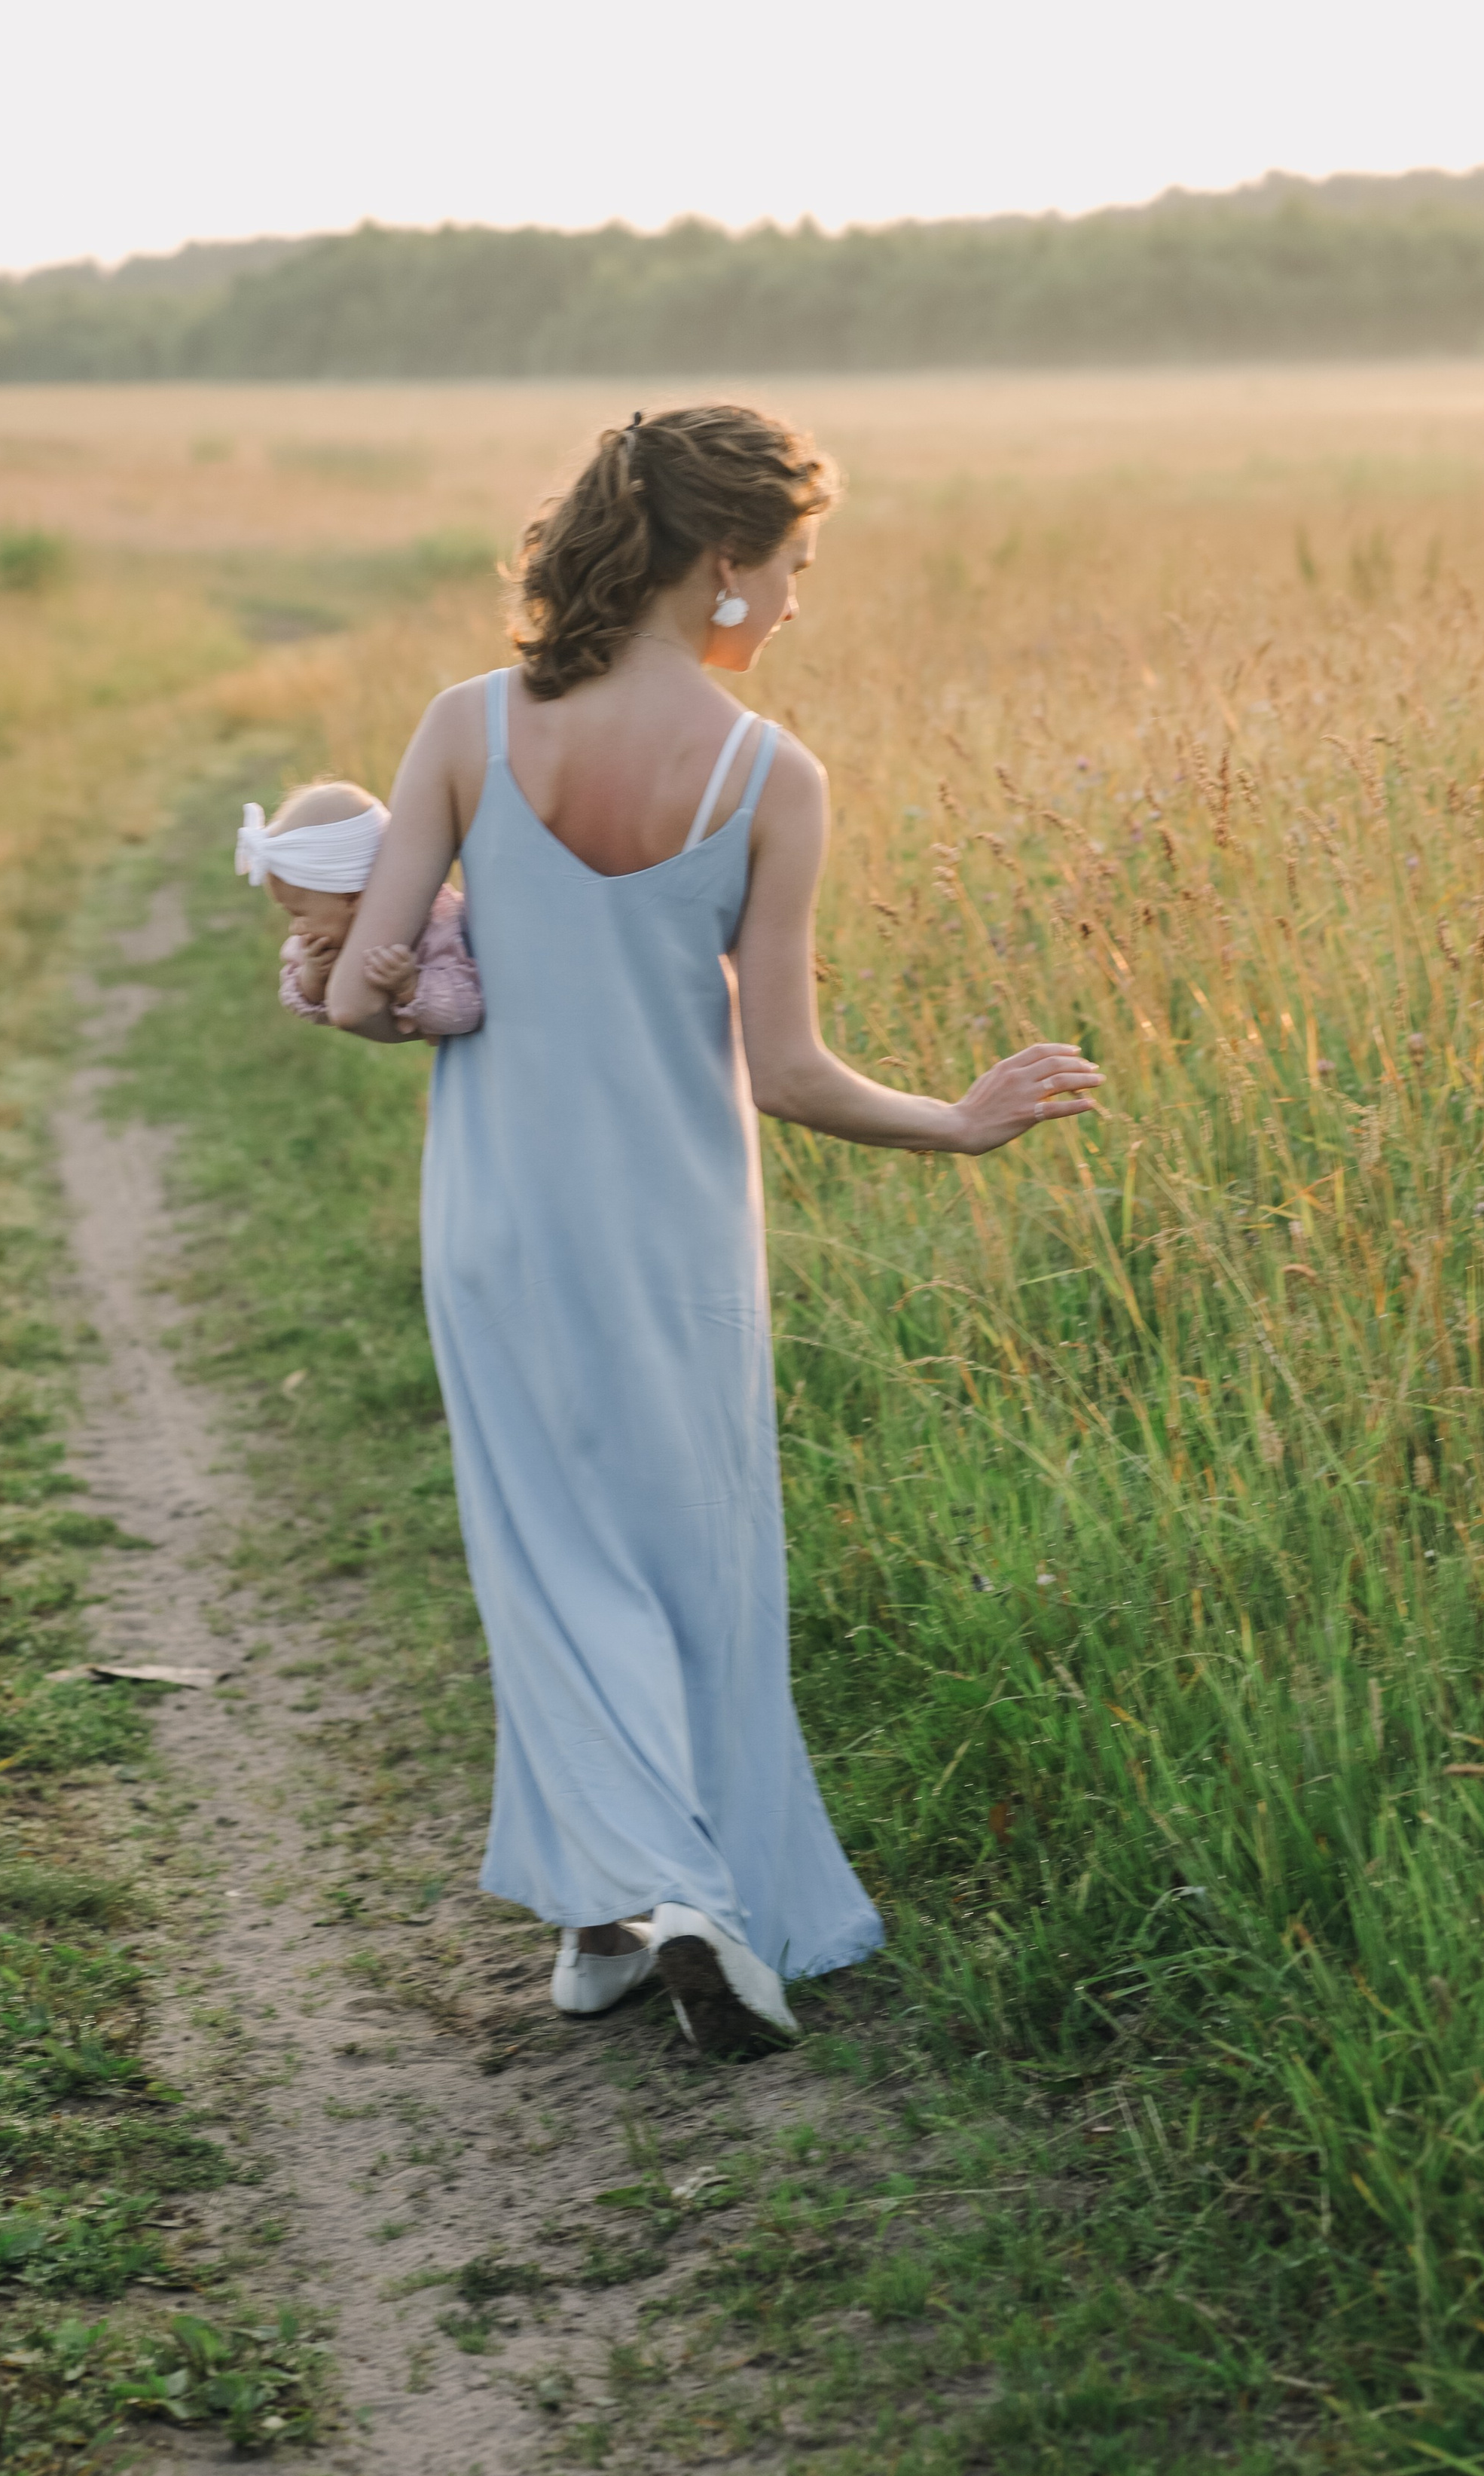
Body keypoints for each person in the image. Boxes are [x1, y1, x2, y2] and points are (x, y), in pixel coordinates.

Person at [326, 404, 1104, 2053]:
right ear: (724, 561)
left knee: (548, 1564)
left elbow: (363, 997)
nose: (797, 604)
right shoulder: (770, 774)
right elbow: (791, 1070)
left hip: (504, 1222)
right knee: (689, 1567)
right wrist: (954, 1122)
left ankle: (612, 1910)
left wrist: (361, 963)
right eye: (795, 569)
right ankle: (686, 1894)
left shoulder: (468, 724)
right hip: (675, 1236)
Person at [236, 779, 482, 1037]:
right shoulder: (318, 946)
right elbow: (304, 1003)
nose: (295, 928)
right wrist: (313, 977)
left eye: (299, 914)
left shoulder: (438, 926)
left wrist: (411, 985)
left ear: (352, 897)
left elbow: (467, 1012)